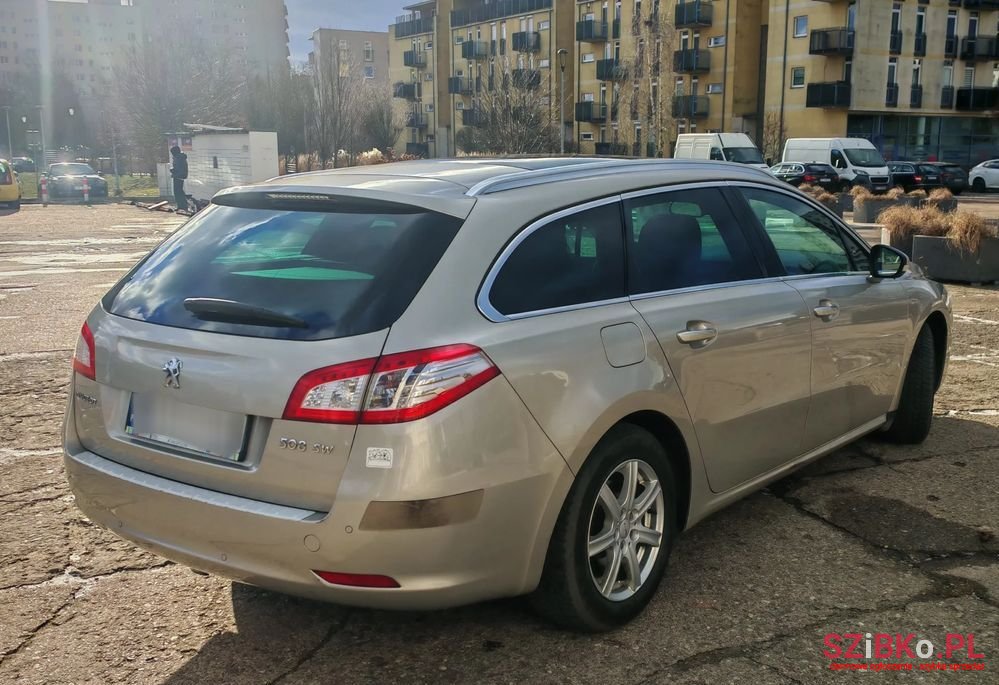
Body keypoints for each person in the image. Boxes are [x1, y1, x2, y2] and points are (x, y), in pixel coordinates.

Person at [170, 145, 189, 211]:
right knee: (180, 191)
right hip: (181, 175)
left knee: (177, 192)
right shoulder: (181, 157)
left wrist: (172, 170)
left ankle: (182, 206)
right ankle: (183, 205)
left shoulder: (178, 158)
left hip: (178, 176)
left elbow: (178, 168)